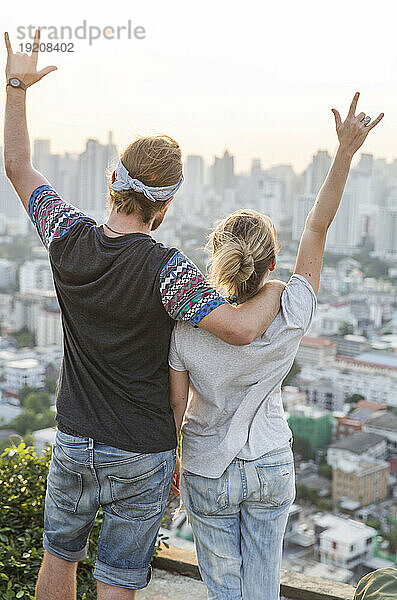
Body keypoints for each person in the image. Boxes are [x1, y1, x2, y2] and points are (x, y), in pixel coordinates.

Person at [3, 31, 286, 600]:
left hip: (76, 438)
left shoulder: (66, 235)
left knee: (59, 558)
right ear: (168, 202)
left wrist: (16, 86)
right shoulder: (169, 272)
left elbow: (16, 164)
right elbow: (239, 329)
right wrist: (282, 288)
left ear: (113, 183)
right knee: (119, 580)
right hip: (143, 448)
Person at [169, 92, 384, 600]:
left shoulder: (184, 329)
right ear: (270, 266)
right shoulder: (290, 313)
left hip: (205, 464)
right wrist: (345, 154)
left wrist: (171, 464)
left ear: (217, 261)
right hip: (268, 460)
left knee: (225, 587)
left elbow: (176, 408)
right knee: (263, 587)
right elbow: (317, 225)